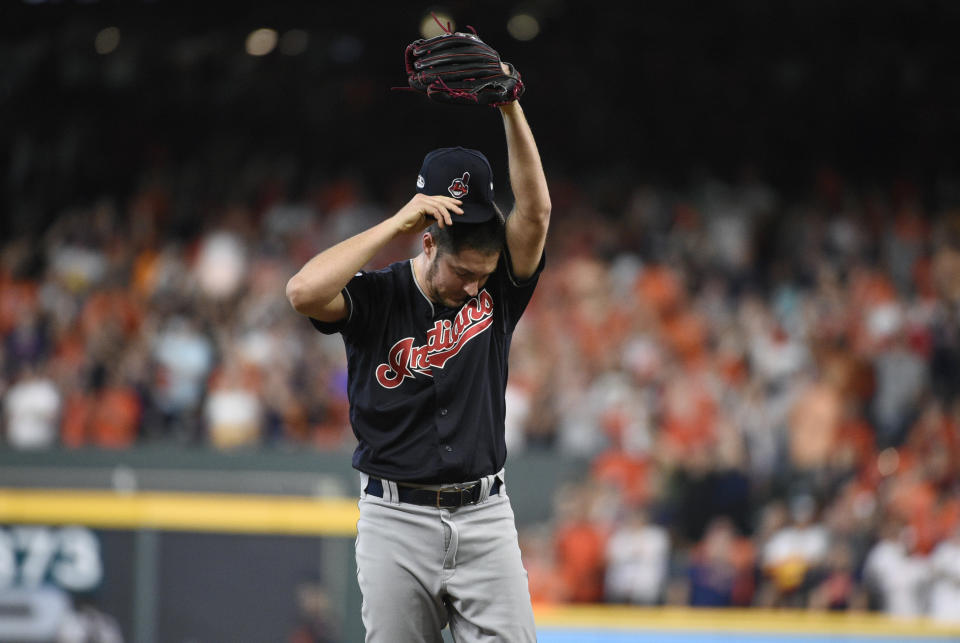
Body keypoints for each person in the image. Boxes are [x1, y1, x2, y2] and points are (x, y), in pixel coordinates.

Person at [286, 99, 550, 642]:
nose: (476, 286)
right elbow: (302, 292)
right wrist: (395, 222)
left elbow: (538, 213)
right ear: (428, 241)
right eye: (463, 271)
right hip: (395, 520)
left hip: (484, 516)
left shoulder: (497, 288)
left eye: (484, 272)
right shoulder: (378, 296)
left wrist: (510, 107)